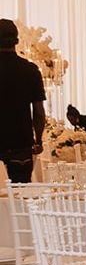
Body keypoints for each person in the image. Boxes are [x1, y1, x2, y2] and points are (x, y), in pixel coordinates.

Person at [0, 18, 46, 183]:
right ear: (16, 41)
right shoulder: (30, 70)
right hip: (21, 146)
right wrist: (39, 140)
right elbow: (39, 112)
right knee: (21, 199)